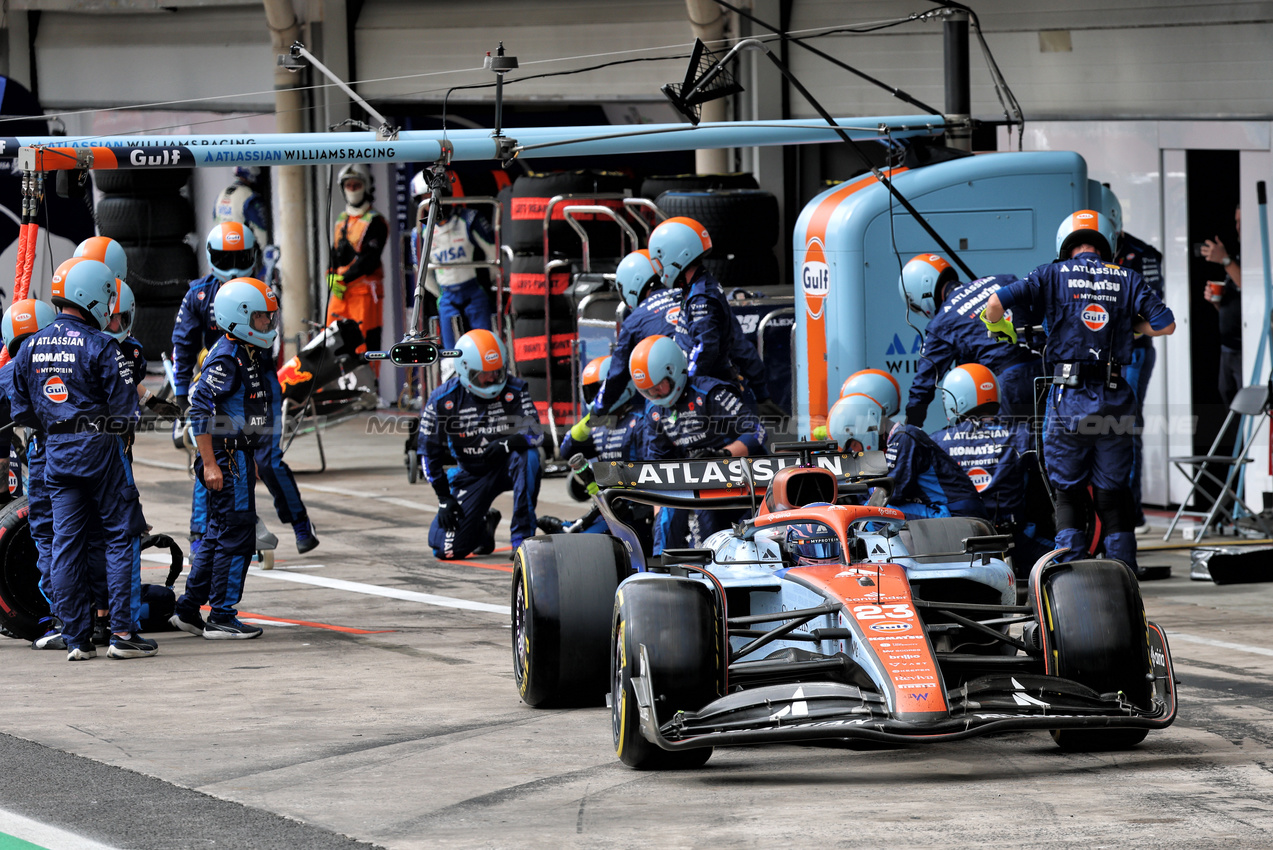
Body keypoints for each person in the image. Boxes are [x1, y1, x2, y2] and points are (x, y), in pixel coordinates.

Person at [982, 209, 1175, 575]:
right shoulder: (1127, 277)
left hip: (1070, 399)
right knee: (1112, 494)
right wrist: (1127, 326)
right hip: (1117, 398)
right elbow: (1165, 325)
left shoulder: (1050, 273)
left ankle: (1071, 578)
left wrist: (999, 328)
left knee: (1068, 492)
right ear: (1106, 243)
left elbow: (995, 305)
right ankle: (1124, 578)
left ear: (1064, 244)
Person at [9, 258, 153, 660]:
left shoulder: (32, 344)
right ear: (90, 296)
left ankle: (76, 639)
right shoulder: (104, 345)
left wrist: (57, 424)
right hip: (101, 452)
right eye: (107, 297)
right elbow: (126, 413)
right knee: (120, 537)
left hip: (55, 454)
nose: (109, 306)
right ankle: (122, 634)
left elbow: (20, 409)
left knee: (64, 544)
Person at [172, 222, 317, 555]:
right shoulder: (198, 295)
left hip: (259, 384)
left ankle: (299, 523)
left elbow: (271, 340)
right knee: (211, 459)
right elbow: (182, 344)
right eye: (226, 257)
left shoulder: (263, 293)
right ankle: (200, 534)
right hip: (219, 389)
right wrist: (182, 392)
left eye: (241, 256)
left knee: (268, 461)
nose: (234, 265)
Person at [170, 277, 282, 641]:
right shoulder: (226, 358)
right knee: (237, 537)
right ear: (241, 317)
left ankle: (188, 610)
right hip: (226, 458)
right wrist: (210, 463)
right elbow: (198, 408)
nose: (268, 324)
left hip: (236, 455)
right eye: (263, 318)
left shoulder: (246, 352)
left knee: (217, 535)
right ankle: (222, 615)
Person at [593, 247, 774, 418]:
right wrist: (762, 395)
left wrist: (598, 410)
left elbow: (616, 374)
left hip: (675, 400)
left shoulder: (634, 320)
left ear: (632, 285)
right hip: (721, 390)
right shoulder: (696, 295)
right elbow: (740, 348)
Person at [420, 329, 543, 560]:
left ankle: (522, 540)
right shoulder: (442, 399)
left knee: (531, 457)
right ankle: (484, 525)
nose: (492, 379)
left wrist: (507, 443)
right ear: (465, 370)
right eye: (484, 374)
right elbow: (428, 452)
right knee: (446, 551)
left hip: (507, 466)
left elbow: (536, 433)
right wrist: (443, 498)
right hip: (471, 473)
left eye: (497, 372)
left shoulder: (515, 389)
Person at [634, 335, 766, 548]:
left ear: (673, 371)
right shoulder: (654, 412)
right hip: (699, 485)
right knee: (668, 513)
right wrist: (658, 516)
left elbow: (757, 432)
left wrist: (722, 455)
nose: (655, 394)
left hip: (744, 481)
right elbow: (657, 469)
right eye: (648, 390)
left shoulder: (711, 393)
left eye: (659, 386)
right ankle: (667, 567)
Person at [648, 217, 780, 417]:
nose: (659, 269)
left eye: (659, 261)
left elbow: (705, 347)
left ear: (676, 255)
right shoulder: (694, 288)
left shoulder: (702, 296)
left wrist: (685, 386)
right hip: (704, 387)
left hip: (707, 392)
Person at [931, 364, 1054, 575]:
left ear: (956, 400)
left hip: (956, 546)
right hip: (1017, 543)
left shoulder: (936, 442)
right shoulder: (1022, 435)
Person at [898, 253, 1042, 425]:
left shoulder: (942, 322)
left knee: (1013, 448)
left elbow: (924, 383)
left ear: (923, 289)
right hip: (1047, 369)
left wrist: (911, 425)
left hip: (1009, 385)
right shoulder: (1002, 280)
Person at [1104, 185, 1165, 531]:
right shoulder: (1080, 257)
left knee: (1126, 428)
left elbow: (1157, 319)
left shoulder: (1143, 255)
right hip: (1099, 357)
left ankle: (1131, 512)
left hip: (1133, 354)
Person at [827, 392, 988, 521]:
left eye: (851, 446)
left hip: (959, 515)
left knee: (873, 517)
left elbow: (891, 494)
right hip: (949, 511)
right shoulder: (900, 438)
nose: (855, 453)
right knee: (869, 513)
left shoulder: (904, 438)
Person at [0, 299, 58, 648]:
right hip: (75, 458)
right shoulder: (72, 360)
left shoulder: (7, 372)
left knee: (49, 539)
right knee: (69, 538)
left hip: (40, 458)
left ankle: (66, 620)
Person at [539, 355, 646, 536]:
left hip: (634, 512)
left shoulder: (640, 421)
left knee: (578, 546)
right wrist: (593, 416)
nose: (596, 398)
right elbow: (567, 448)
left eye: (599, 391)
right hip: (606, 508)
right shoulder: (597, 425)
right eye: (591, 393)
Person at [411, 170, 496, 350]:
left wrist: (489, 281)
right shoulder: (420, 233)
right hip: (447, 297)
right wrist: (441, 294)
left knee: (485, 347)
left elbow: (494, 254)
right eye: (425, 197)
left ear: (446, 193)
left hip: (475, 292)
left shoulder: (469, 218)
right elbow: (422, 274)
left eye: (435, 194)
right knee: (450, 354)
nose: (431, 201)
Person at [327, 163, 387, 356]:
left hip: (364, 293)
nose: (352, 189)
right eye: (348, 185)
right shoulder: (340, 219)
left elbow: (369, 260)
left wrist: (343, 279)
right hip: (340, 293)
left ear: (366, 186)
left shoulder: (376, 221)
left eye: (356, 185)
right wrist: (330, 276)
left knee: (364, 346)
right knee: (331, 341)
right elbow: (334, 253)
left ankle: (367, 385)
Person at [1202, 205, 1243, 407]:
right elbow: (1235, 304)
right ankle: (1240, 439)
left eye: (1242, 222)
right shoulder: (1237, 260)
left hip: (1246, 347)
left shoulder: (1255, 259)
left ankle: (1250, 439)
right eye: (1236, 221)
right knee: (1228, 398)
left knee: (1248, 404)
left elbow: (1250, 286)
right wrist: (1216, 302)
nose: (1238, 227)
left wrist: (1224, 260)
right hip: (1228, 347)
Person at [214, 166, 270, 250]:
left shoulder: (221, 194)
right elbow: (262, 231)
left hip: (224, 249)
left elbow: (215, 222)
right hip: (244, 252)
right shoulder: (250, 197)